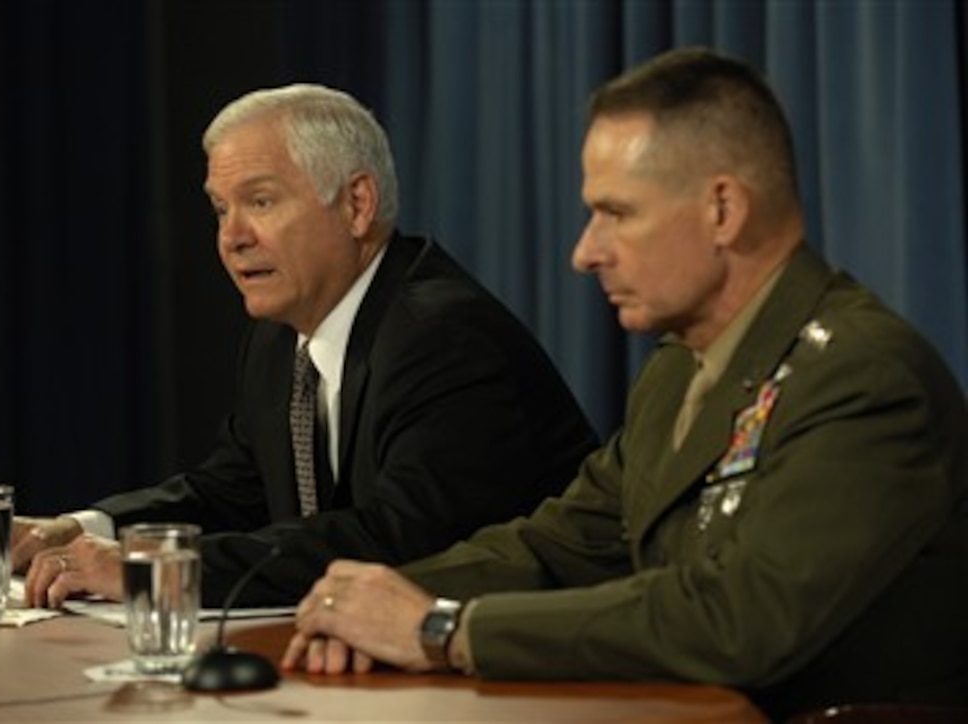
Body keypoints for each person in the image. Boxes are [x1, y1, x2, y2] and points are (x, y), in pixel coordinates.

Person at [283, 48, 968, 720]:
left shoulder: (862, 375)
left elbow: (740, 621)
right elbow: (562, 544)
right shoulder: (679, 370)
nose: (586, 252)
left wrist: (443, 631)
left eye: (618, 213)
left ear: (723, 209)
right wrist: (367, 599)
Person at [13, 84, 599, 609]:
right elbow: (236, 492)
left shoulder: (441, 335)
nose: (232, 238)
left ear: (356, 205)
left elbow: (398, 540)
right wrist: (93, 528)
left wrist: (159, 571)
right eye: (221, 209)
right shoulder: (278, 339)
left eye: (260, 202)